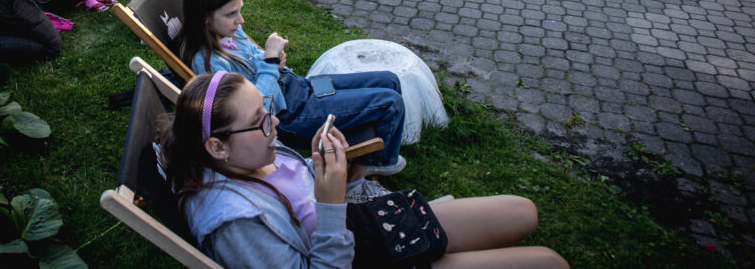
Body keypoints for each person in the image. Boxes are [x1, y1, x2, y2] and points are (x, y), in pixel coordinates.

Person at [161, 70, 568, 269]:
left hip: (368, 223)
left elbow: (297, 181)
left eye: (269, 110)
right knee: (549, 263)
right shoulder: (235, 223)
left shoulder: (251, 155)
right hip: (362, 257)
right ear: (217, 146)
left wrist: (317, 163)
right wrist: (332, 202)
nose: (276, 124)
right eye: (262, 120)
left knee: (523, 210)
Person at [177, 0, 407, 177]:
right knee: (390, 102)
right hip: (290, 113)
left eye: (240, 10)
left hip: (299, 86)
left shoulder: (227, 31)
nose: (240, 20)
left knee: (389, 80)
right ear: (205, 17)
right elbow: (256, 109)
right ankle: (376, 163)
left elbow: (256, 59)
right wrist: (270, 62)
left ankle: (377, 147)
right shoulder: (208, 63)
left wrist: (274, 61)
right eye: (231, 14)